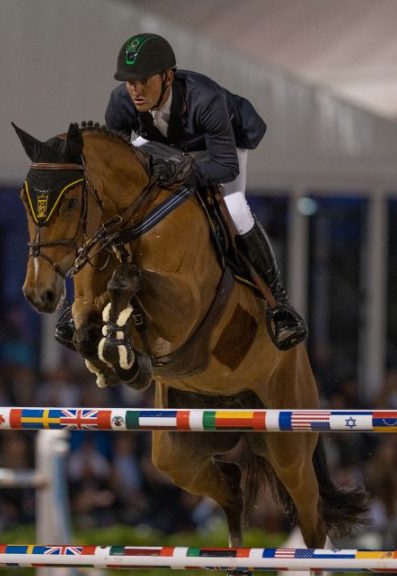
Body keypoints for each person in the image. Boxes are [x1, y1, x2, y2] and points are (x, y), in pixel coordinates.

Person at [56, 33, 306, 352]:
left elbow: (225, 167)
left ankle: (278, 305)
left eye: (143, 80)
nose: (135, 89)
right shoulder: (121, 102)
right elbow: (118, 165)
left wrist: (184, 172)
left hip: (220, 147)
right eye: (129, 82)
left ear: (167, 76)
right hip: (167, 146)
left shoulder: (206, 100)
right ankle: (85, 301)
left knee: (235, 208)